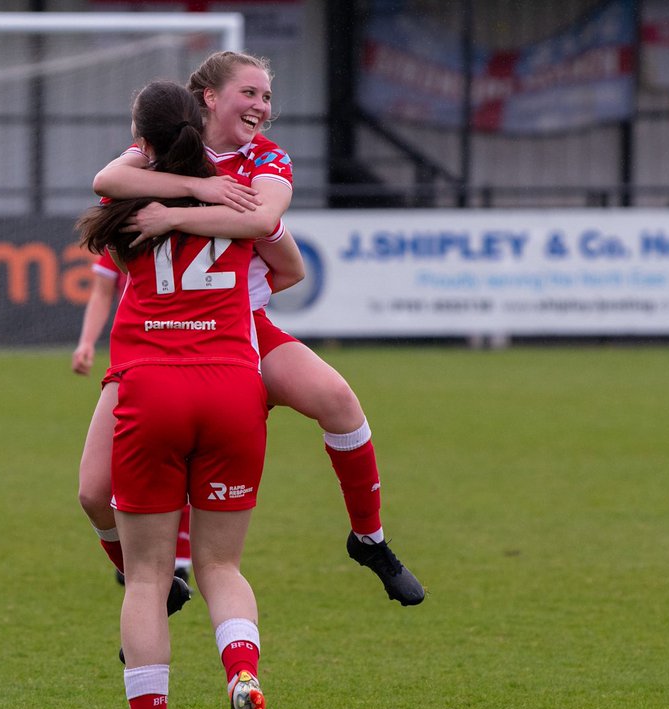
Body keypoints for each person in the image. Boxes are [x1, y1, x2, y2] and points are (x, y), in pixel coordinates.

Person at [84, 51, 425, 606]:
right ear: (209, 97)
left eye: (267, 96)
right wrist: (199, 188)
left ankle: (370, 538)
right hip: (160, 336)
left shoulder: (266, 158)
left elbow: (263, 221)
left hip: (240, 329)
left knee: (337, 399)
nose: (262, 106)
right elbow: (107, 179)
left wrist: (173, 214)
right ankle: (150, 583)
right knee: (95, 494)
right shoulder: (171, 149)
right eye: (250, 93)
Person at [76, 79, 283, 709]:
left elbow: (108, 176)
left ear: (142, 135)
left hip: (152, 387)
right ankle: (244, 675)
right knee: (223, 564)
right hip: (231, 384)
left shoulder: (131, 198)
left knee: (147, 576)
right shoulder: (237, 193)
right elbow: (287, 262)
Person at [72, 261, 193, 585]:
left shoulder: (198, 225)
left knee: (181, 460)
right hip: (134, 362)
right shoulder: (130, 220)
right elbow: (101, 289)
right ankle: (134, 558)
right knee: (117, 474)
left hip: (190, 358)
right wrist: (86, 342)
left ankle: (178, 558)